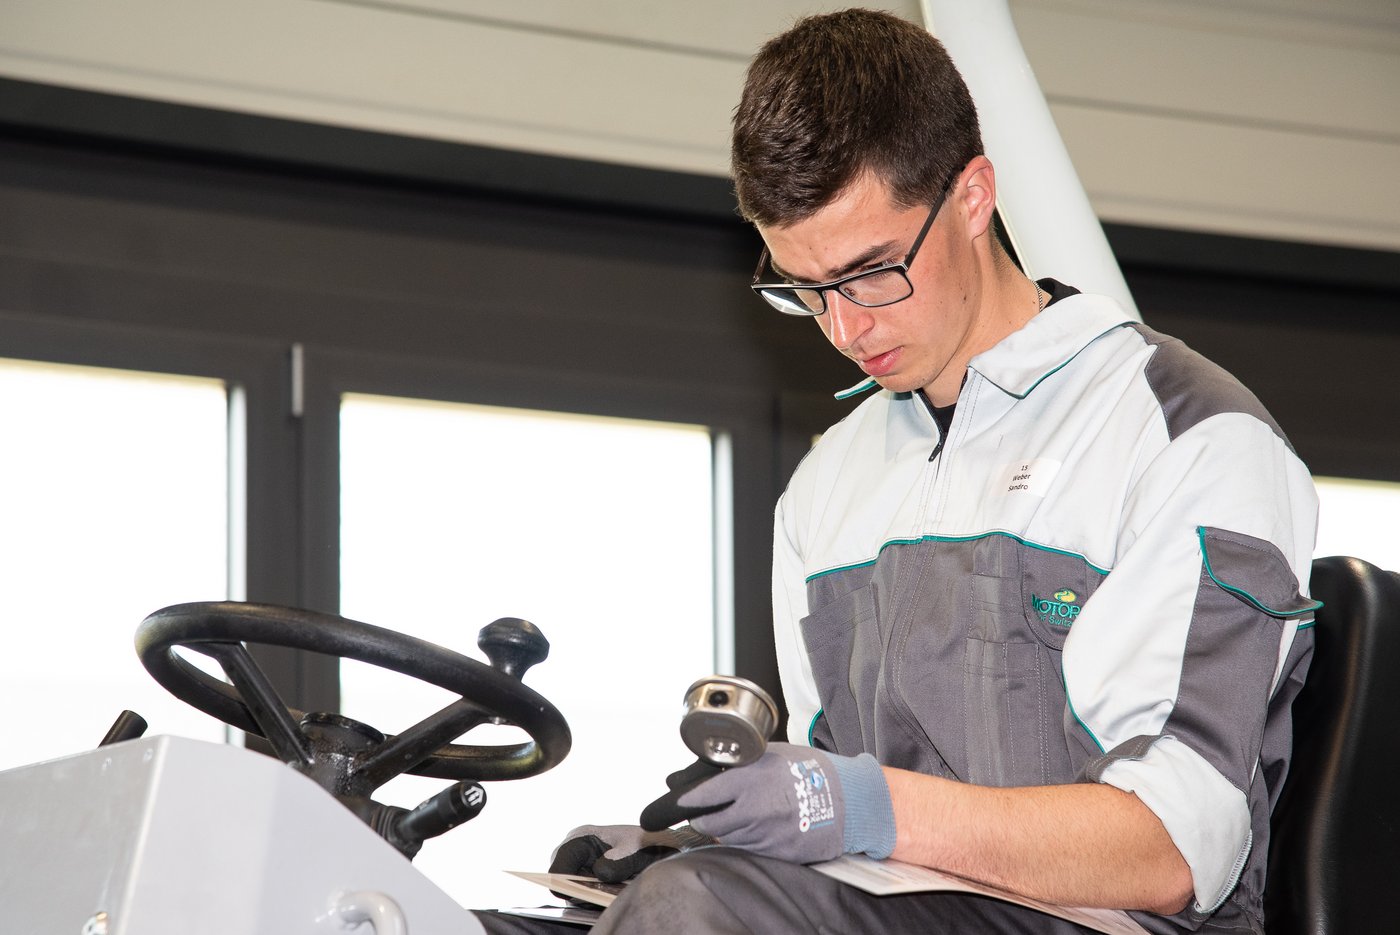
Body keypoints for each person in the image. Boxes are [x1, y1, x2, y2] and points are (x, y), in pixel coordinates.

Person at [476, 9, 1317, 934]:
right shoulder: (827, 488)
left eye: (872, 272)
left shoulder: (1187, 438)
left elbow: (1169, 852)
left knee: (692, 910)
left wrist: (854, 805)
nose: (846, 328)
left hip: (1117, 922)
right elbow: (835, 837)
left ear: (974, 197)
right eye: (807, 288)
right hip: (898, 903)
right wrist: (706, 841)